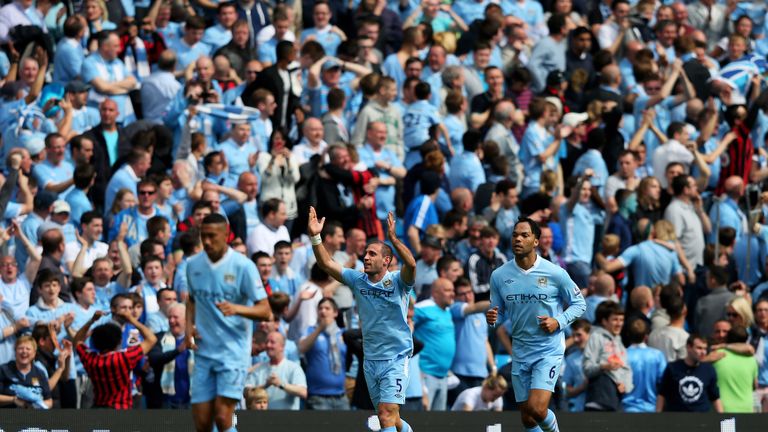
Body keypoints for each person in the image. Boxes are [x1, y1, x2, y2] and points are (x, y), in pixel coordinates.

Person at [308, 207, 416, 432]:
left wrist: (394, 239)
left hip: (396, 357)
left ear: (386, 261)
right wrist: (315, 236)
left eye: (372, 254)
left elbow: (412, 265)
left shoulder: (398, 281)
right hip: (371, 359)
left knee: (386, 413)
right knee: (389, 416)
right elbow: (326, 264)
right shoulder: (358, 279)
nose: (365, 257)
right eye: (365, 253)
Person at [486, 217, 586, 432]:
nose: (518, 239)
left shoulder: (555, 273)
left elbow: (579, 304)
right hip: (520, 352)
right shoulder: (499, 276)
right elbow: (499, 312)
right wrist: (493, 318)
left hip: (547, 350)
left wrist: (558, 321)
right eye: (514, 235)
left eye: (524, 235)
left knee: (538, 409)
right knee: (528, 419)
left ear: (536, 241)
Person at [185, 214, 271, 432]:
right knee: (202, 422)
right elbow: (191, 300)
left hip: (233, 351)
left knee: (223, 417)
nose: (207, 241)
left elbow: (265, 310)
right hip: (204, 351)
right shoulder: (193, 264)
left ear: (226, 234)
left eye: (212, 236)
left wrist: (237, 308)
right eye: (204, 236)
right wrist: (188, 330)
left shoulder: (243, 266)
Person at [73, 309, 157, 409]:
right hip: (121, 407)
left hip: (98, 407)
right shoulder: (124, 358)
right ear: (119, 341)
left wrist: (92, 320)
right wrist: (131, 319)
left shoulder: (90, 359)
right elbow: (152, 339)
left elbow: (77, 341)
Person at [297, 298, 347, 410]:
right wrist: (320, 329)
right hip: (318, 397)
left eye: (327, 308)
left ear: (335, 312)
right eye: (320, 308)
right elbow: (301, 348)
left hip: (341, 396)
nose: (323, 311)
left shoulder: (343, 334)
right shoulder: (310, 331)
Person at [657, 334, 724, 412]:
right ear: (689, 347)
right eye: (699, 348)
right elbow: (662, 394)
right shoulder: (673, 368)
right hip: (677, 419)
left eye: (705, 349)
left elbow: (715, 397)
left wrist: (722, 419)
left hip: (701, 419)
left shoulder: (709, 369)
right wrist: (658, 417)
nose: (703, 352)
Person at [245, 330, 307, 410]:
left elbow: (303, 392)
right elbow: (246, 392)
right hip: (262, 420)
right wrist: (265, 385)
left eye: (272, 342)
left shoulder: (294, 368)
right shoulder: (259, 368)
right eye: (267, 342)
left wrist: (281, 384)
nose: (268, 345)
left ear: (282, 346)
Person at [622, 319, 667, 413]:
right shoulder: (657, 355)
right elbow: (664, 383)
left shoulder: (622, 355)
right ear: (646, 336)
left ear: (628, 334)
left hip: (627, 409)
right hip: (652, 409)